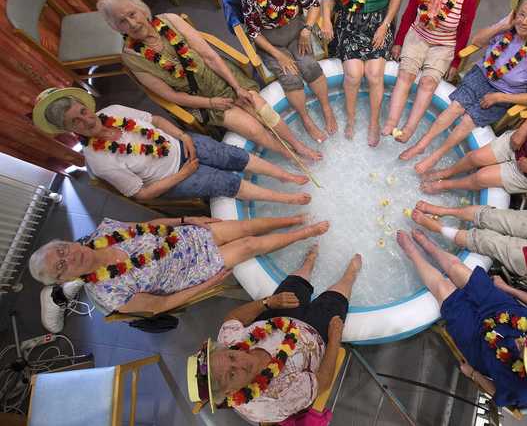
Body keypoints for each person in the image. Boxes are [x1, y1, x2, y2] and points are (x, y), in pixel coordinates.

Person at [96, 0, 322, 162]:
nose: (133, 23)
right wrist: (211, 102)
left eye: (132, 14)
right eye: (122, 22)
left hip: (223, 78)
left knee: (264, 111)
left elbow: (211, 56)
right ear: (117, 29)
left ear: (142, 9)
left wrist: (237, 88)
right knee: (253, 130)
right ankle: (290, 155)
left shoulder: (170, 21)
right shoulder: (132, 58)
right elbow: (172, 97)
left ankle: (298, 145)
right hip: (200, 100)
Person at [396, 229, 527, 408]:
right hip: (501, 307)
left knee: (443, 288)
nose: (522, 342)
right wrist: (506, 288)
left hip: (478, 344)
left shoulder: (523, 392)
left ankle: (412, 252)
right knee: (457, 269)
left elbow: (496, 394)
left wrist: (474, 374)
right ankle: (428, 245)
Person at [32, 88, 311, 205]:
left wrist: (185, 137)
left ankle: (285, 175)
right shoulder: (99, 161)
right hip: (170, 178)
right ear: (70, 130)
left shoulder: (114, 110)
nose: (85, 119)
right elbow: (140, 194)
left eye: (82, 110)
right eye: (76, 121)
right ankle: (286, 199)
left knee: (229, 154)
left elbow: (154, 119)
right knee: (222, 181)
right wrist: (183, 174)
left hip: (180, 144)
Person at [186, 248, 361, 423]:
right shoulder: (277, 401)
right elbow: (322, 382)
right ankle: (350, 275)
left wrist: (267, 303)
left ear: (224, 350)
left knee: (296, 284)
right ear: (229, 393)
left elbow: (233, 318)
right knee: (337, 296)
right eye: (232, 375)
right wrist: (334, 338)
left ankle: (309, 261)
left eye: (232, 356)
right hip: (315, 340)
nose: (241, 362)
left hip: (277, 319)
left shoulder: (228, 342)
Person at [29, 215, 330, 315]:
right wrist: (207, 285)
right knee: (248, 245)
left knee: (244, 227)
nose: (70, 257)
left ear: (65, 242)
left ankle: (294, 218)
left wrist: (187, 220)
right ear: (62, 279)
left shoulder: (105, 231)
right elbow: (161, 306)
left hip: (186, 237)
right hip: (193, 270)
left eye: (61, 250)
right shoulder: (109, 293)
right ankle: (305, 232)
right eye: (61, 266)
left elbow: (148, 226)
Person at [401, 0, 527, 173]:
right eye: (521, 14)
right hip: (483, 73)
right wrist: (502, 26)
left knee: (468, 120)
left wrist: (499, 98)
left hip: (505, 93)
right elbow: (477, 40)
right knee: (456, 106)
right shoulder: (510, 24)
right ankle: (422, 144)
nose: (524, 21)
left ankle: (436, 156)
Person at [238, 0, 337, 142]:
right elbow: (253, 32)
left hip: (297, 32)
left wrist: (307, 29)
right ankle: (306, 119)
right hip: (270, 42)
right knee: (290, 76)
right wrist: (277, 55)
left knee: (309, 65)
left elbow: (312, 5)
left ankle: (326, 109)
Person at [382, 0, 478, 143]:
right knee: (405, 75)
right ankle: (391, 122)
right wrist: (399, 41)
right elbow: (409, 11)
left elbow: (465, 28)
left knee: (428, 83)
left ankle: (409, 128)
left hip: (444, 44)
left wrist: (455, 61)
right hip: (418, 34)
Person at [321, 0, 402, 146]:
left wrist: (385, 25)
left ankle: (374, 122)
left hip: (378, 22)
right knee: (354, 74)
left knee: (375, 74)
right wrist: (326, 19)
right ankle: (351, 118)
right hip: (349, 22)